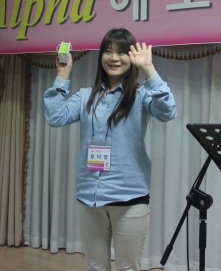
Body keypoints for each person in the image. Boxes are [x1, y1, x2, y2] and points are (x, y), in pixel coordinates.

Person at [44, 28, 177, 271]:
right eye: (108, 51)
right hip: (89, 196)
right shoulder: (86, 96)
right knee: (95, 266)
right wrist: (62, 76)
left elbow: (168, 112)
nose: (114, 58)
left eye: (121, 52)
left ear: (131, 57)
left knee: (128, 267)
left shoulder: (141, 94)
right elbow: (55, 117)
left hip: (129, 197)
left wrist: (149, 70)